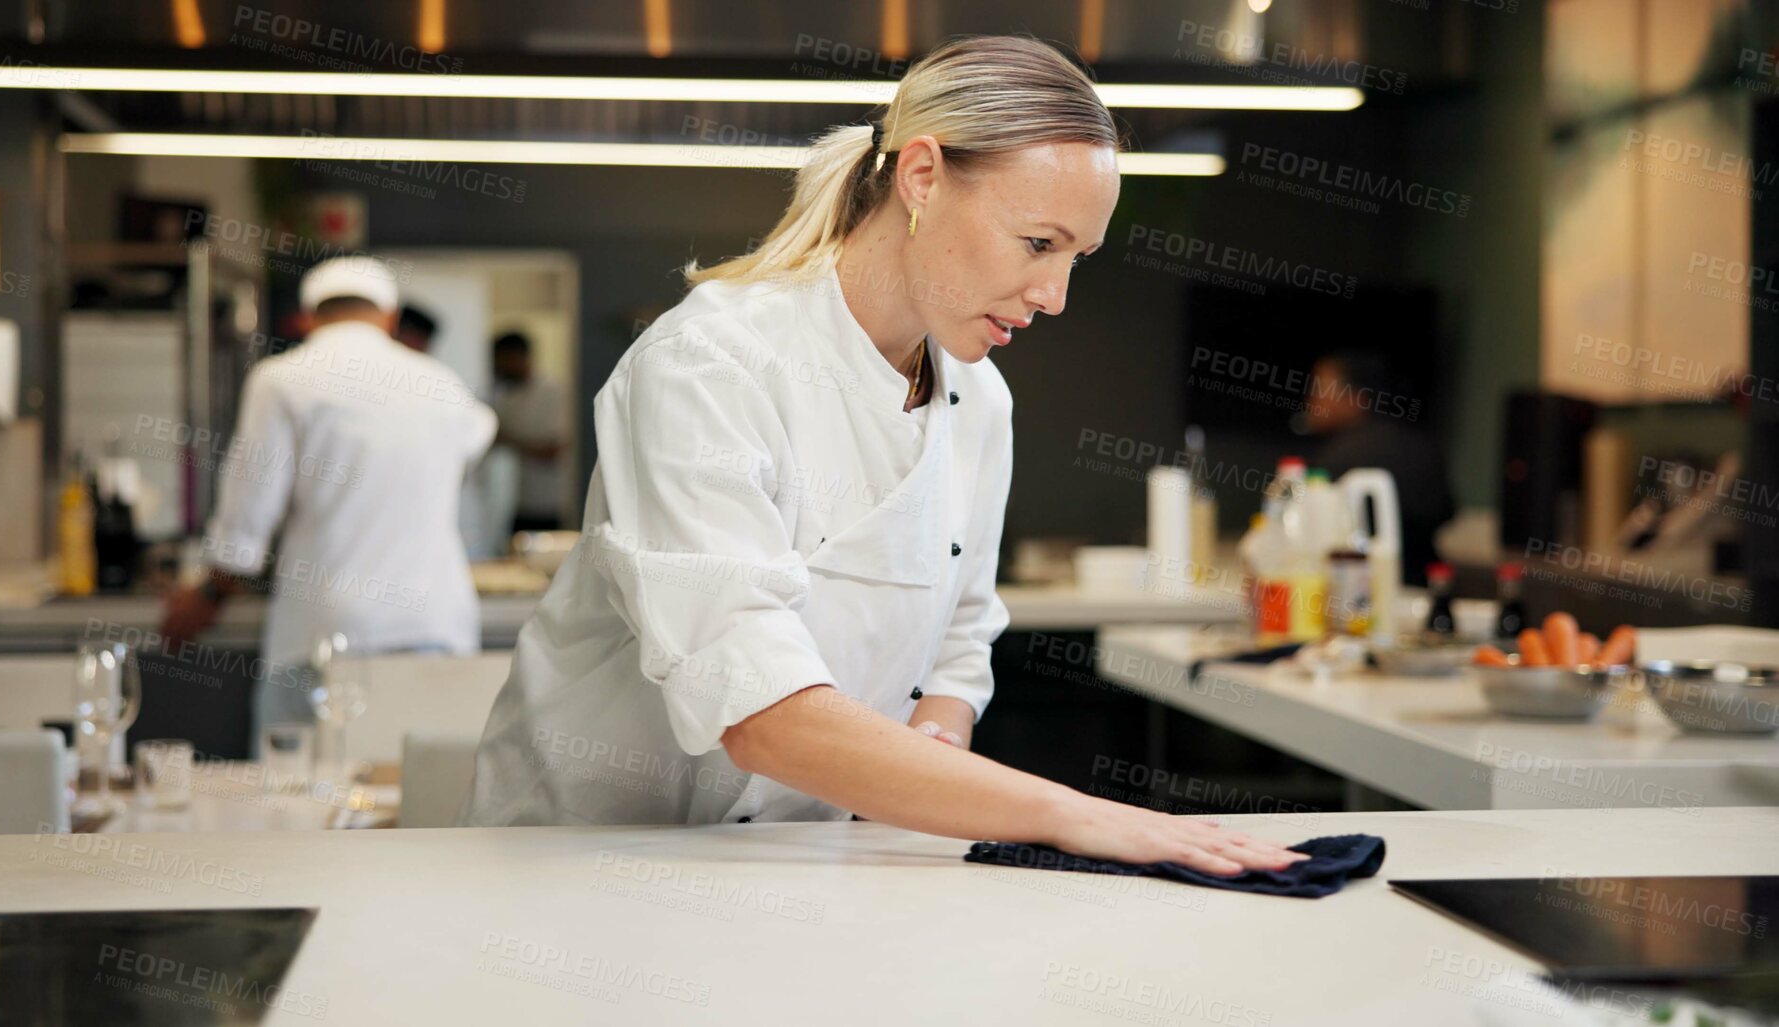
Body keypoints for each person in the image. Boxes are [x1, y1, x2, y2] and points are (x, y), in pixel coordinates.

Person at [462, 37, 1307, 877]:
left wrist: (932, 757)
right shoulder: (710, 362)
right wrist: (1069, 813)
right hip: (584, 857)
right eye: (1038, 245)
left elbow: (960, 634)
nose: (1053, 298)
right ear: (923, 177)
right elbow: (754, 703)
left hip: (798, 858)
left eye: (1075, 259)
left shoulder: (979, 400)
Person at [160, 256, 499, 734]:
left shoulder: (282, 380)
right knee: (422, 794)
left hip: (327, 630)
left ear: (307, 317)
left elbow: (249, 514)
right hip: (435, 624)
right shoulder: (443, 384)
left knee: (302, 795)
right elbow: (479, 434)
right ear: (389, 317)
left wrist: (211, 592)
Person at [1305, 351, 1454, 584]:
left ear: (1357, 396)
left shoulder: (1338, 456)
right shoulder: (1419, 442)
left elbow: (1315, 534)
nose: (1312, 400)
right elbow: (1447, 510)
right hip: (1426, 579)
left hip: (1362, 586)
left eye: (1320, 390)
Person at [489, 332, 569, 533]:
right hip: (520, 502)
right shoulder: (506, 395)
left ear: (518, 357)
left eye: (502, 360)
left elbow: (554, 451)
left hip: (551, 505)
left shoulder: (552, 392)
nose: (498, 368)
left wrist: (509, 440)